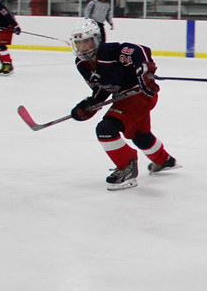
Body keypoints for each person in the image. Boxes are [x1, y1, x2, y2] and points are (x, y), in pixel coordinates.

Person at [69, 19, 178, 190]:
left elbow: (140, 51)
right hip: (124, 97)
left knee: (106, 128)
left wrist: (144, 73)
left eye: (86, 41)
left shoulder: (111, 52)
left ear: (96, 39)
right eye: (78, 43)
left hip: (140, 93)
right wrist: (90, 104)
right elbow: (102, 88)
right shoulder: (81, 64)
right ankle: (164, 160)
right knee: (140, 134)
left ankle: (127, 168)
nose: (82, 47)